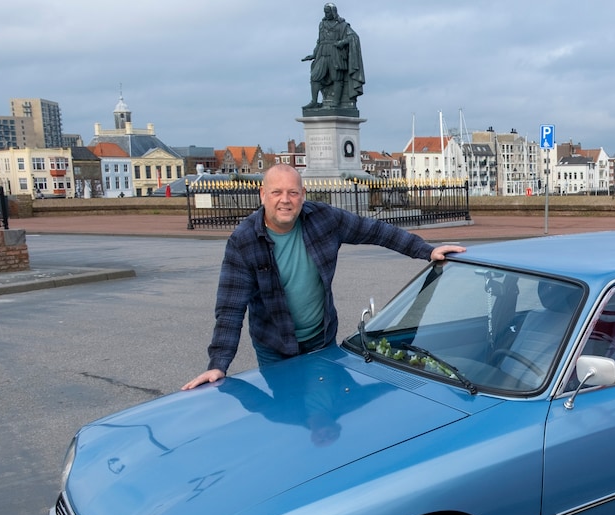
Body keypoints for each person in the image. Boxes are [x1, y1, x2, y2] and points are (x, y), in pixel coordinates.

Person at [182, 164, 463, 390]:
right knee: (288, 407)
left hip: (321, 339)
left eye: (292, 193)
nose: (285, 200)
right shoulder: (243, 240)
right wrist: (218, 364)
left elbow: (374, 230)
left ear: (303, 195)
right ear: (262, 194)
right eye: (277, 192)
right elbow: (230, 309)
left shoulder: (323, 219)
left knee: (326, 402)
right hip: (274, 345)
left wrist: (425, 250)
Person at [302, 3, 364, 110]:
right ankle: (314, 101)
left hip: (336, 53)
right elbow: (319, 41)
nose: (326, 14)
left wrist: (342, 42)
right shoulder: (321, 24)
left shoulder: (342, 25)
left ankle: (336, 101)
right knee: (315, 76)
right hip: (322, 53)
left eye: (328, 12)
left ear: (333, 12)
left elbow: (354, 37)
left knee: (337, 78)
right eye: (325, 12)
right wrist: (314, 54)